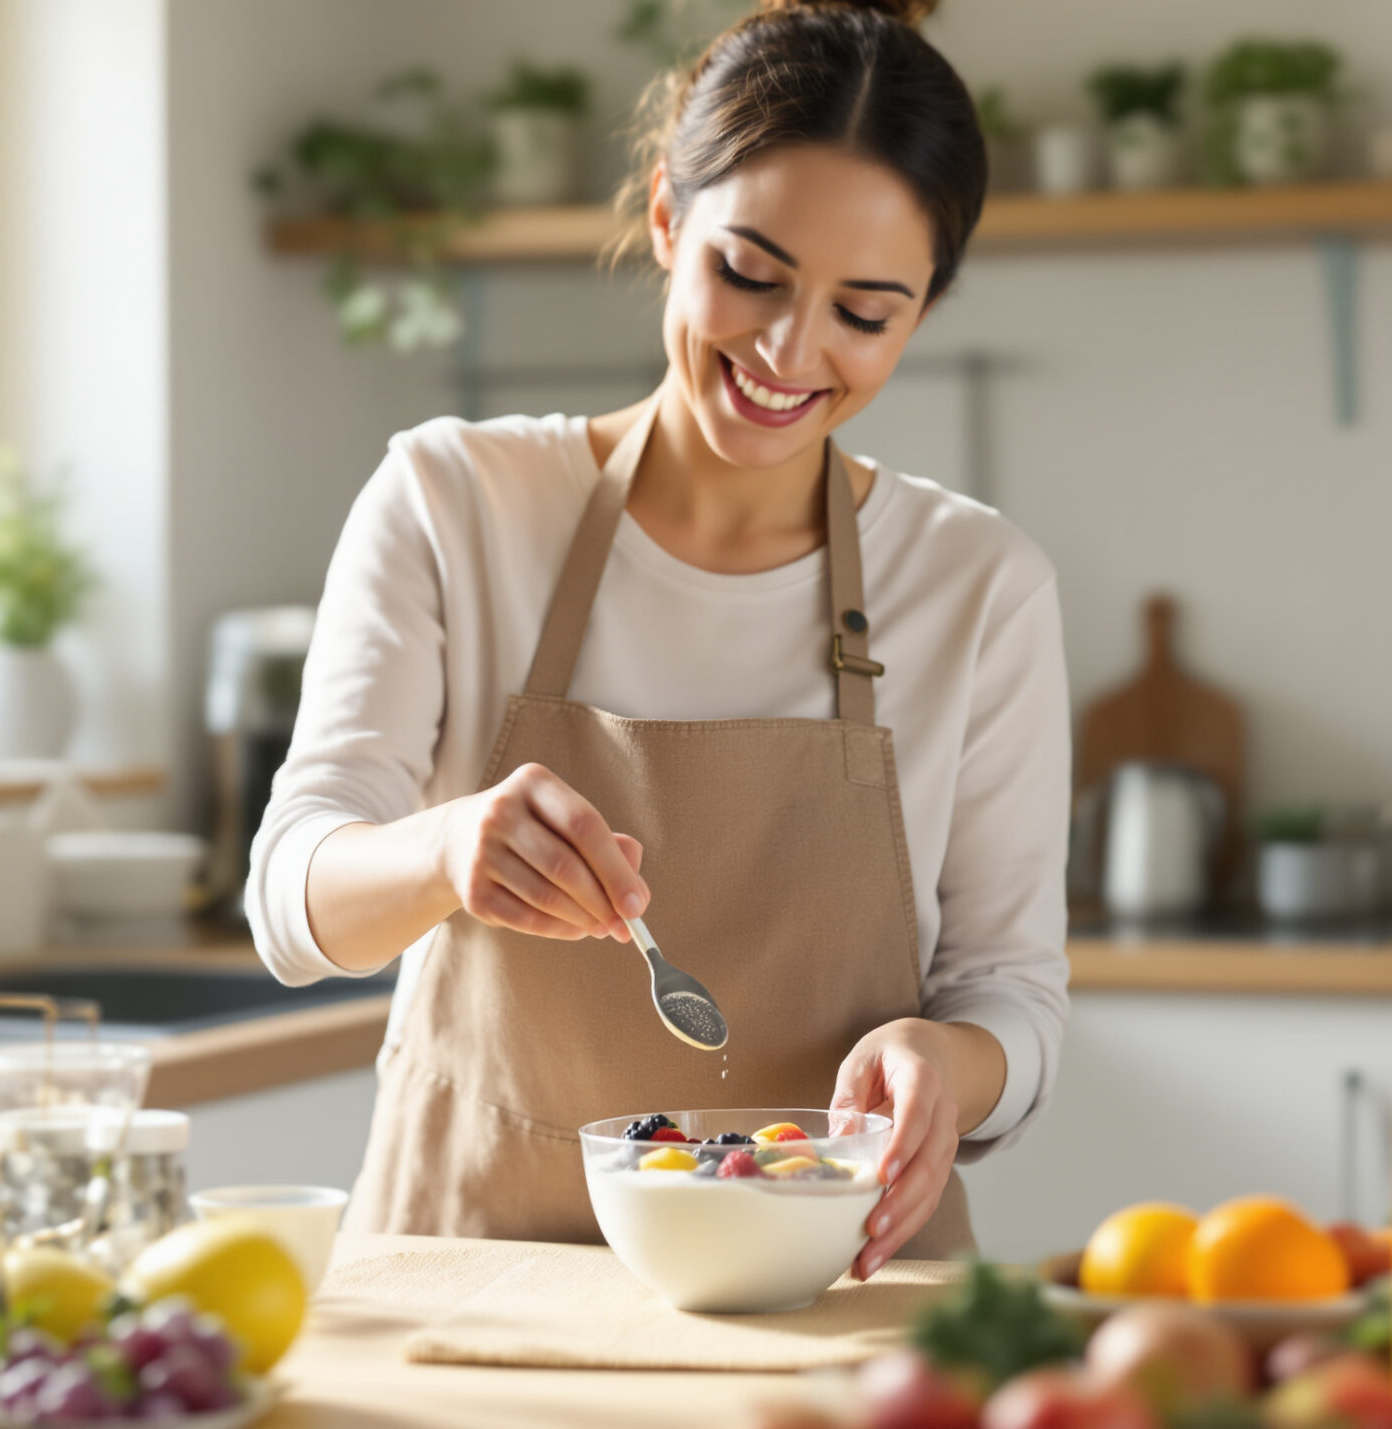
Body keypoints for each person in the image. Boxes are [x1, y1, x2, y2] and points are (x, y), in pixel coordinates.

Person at [247, 0, 1067, 1276]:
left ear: (925, 307)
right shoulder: (452, 499)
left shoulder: (977, 583)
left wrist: (947, 1064)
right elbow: (291, 904)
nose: (791, 351)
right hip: (475, 1281)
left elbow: (1012, 993)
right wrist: (445, 849)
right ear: (667, 221)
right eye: (751, 272)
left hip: (829, 1288)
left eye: (866, 312)